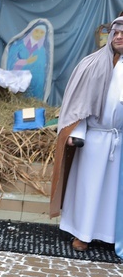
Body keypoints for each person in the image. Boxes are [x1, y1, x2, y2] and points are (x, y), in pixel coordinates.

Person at [50, 16, 123, 252]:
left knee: (113, 192)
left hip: (119, 140)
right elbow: (78, 104)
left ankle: (110, 234)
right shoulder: (92, 64)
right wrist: (77, 131)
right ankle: (82, 233)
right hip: (94, 138)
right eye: (116, 33)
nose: (119, 37)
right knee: (89, 188)